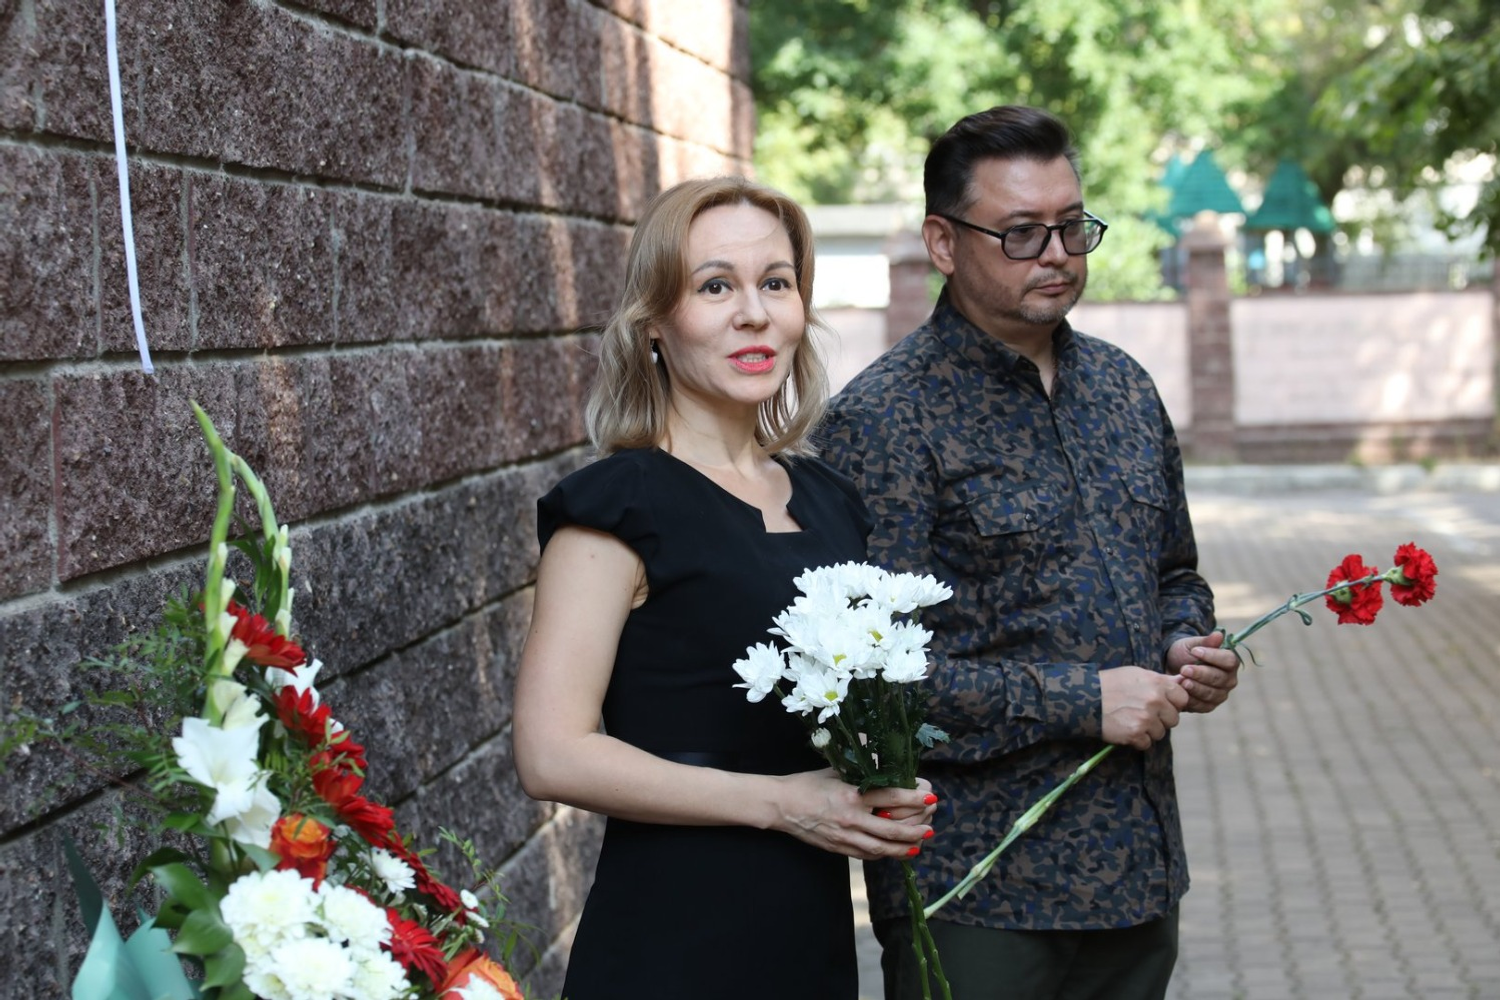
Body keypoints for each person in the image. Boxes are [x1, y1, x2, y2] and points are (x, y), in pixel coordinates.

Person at [817, 106, 1243, 1000]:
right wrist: (1083, 700)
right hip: (976, 893)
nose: (1056, 253)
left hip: (1137, 871)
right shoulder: (885, 420)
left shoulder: (1124, 389)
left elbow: (1174, 571)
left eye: (1071, 226)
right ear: (943, 242)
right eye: (1020, 233)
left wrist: (1186, 643)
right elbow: (868, 682)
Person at [512, 175, 937, 1000]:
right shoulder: (617, 506)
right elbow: (551, 752)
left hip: (806, 938)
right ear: (654, 323)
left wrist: (878, 780)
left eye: (775, 283)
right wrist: (782, 804)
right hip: (672, 944)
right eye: (715, 287)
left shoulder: (829, 501)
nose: (754, 313)